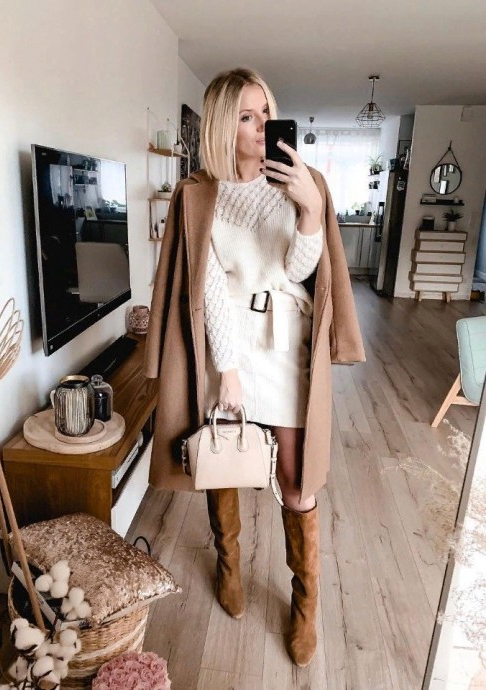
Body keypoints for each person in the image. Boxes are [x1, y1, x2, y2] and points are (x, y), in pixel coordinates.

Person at [144, 67, 365, 667]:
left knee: (296, 480)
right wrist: (229, 370)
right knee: (224, 457)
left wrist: (310, 212)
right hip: (231, 341)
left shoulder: (303, 182)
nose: (264, 125)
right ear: (223, 125)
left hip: (286, 344)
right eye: (247, 115)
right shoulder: (199, 194)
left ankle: (305, 603)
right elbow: (209, 292)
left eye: (267, 110)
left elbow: (298, 271)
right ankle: (229, 564)